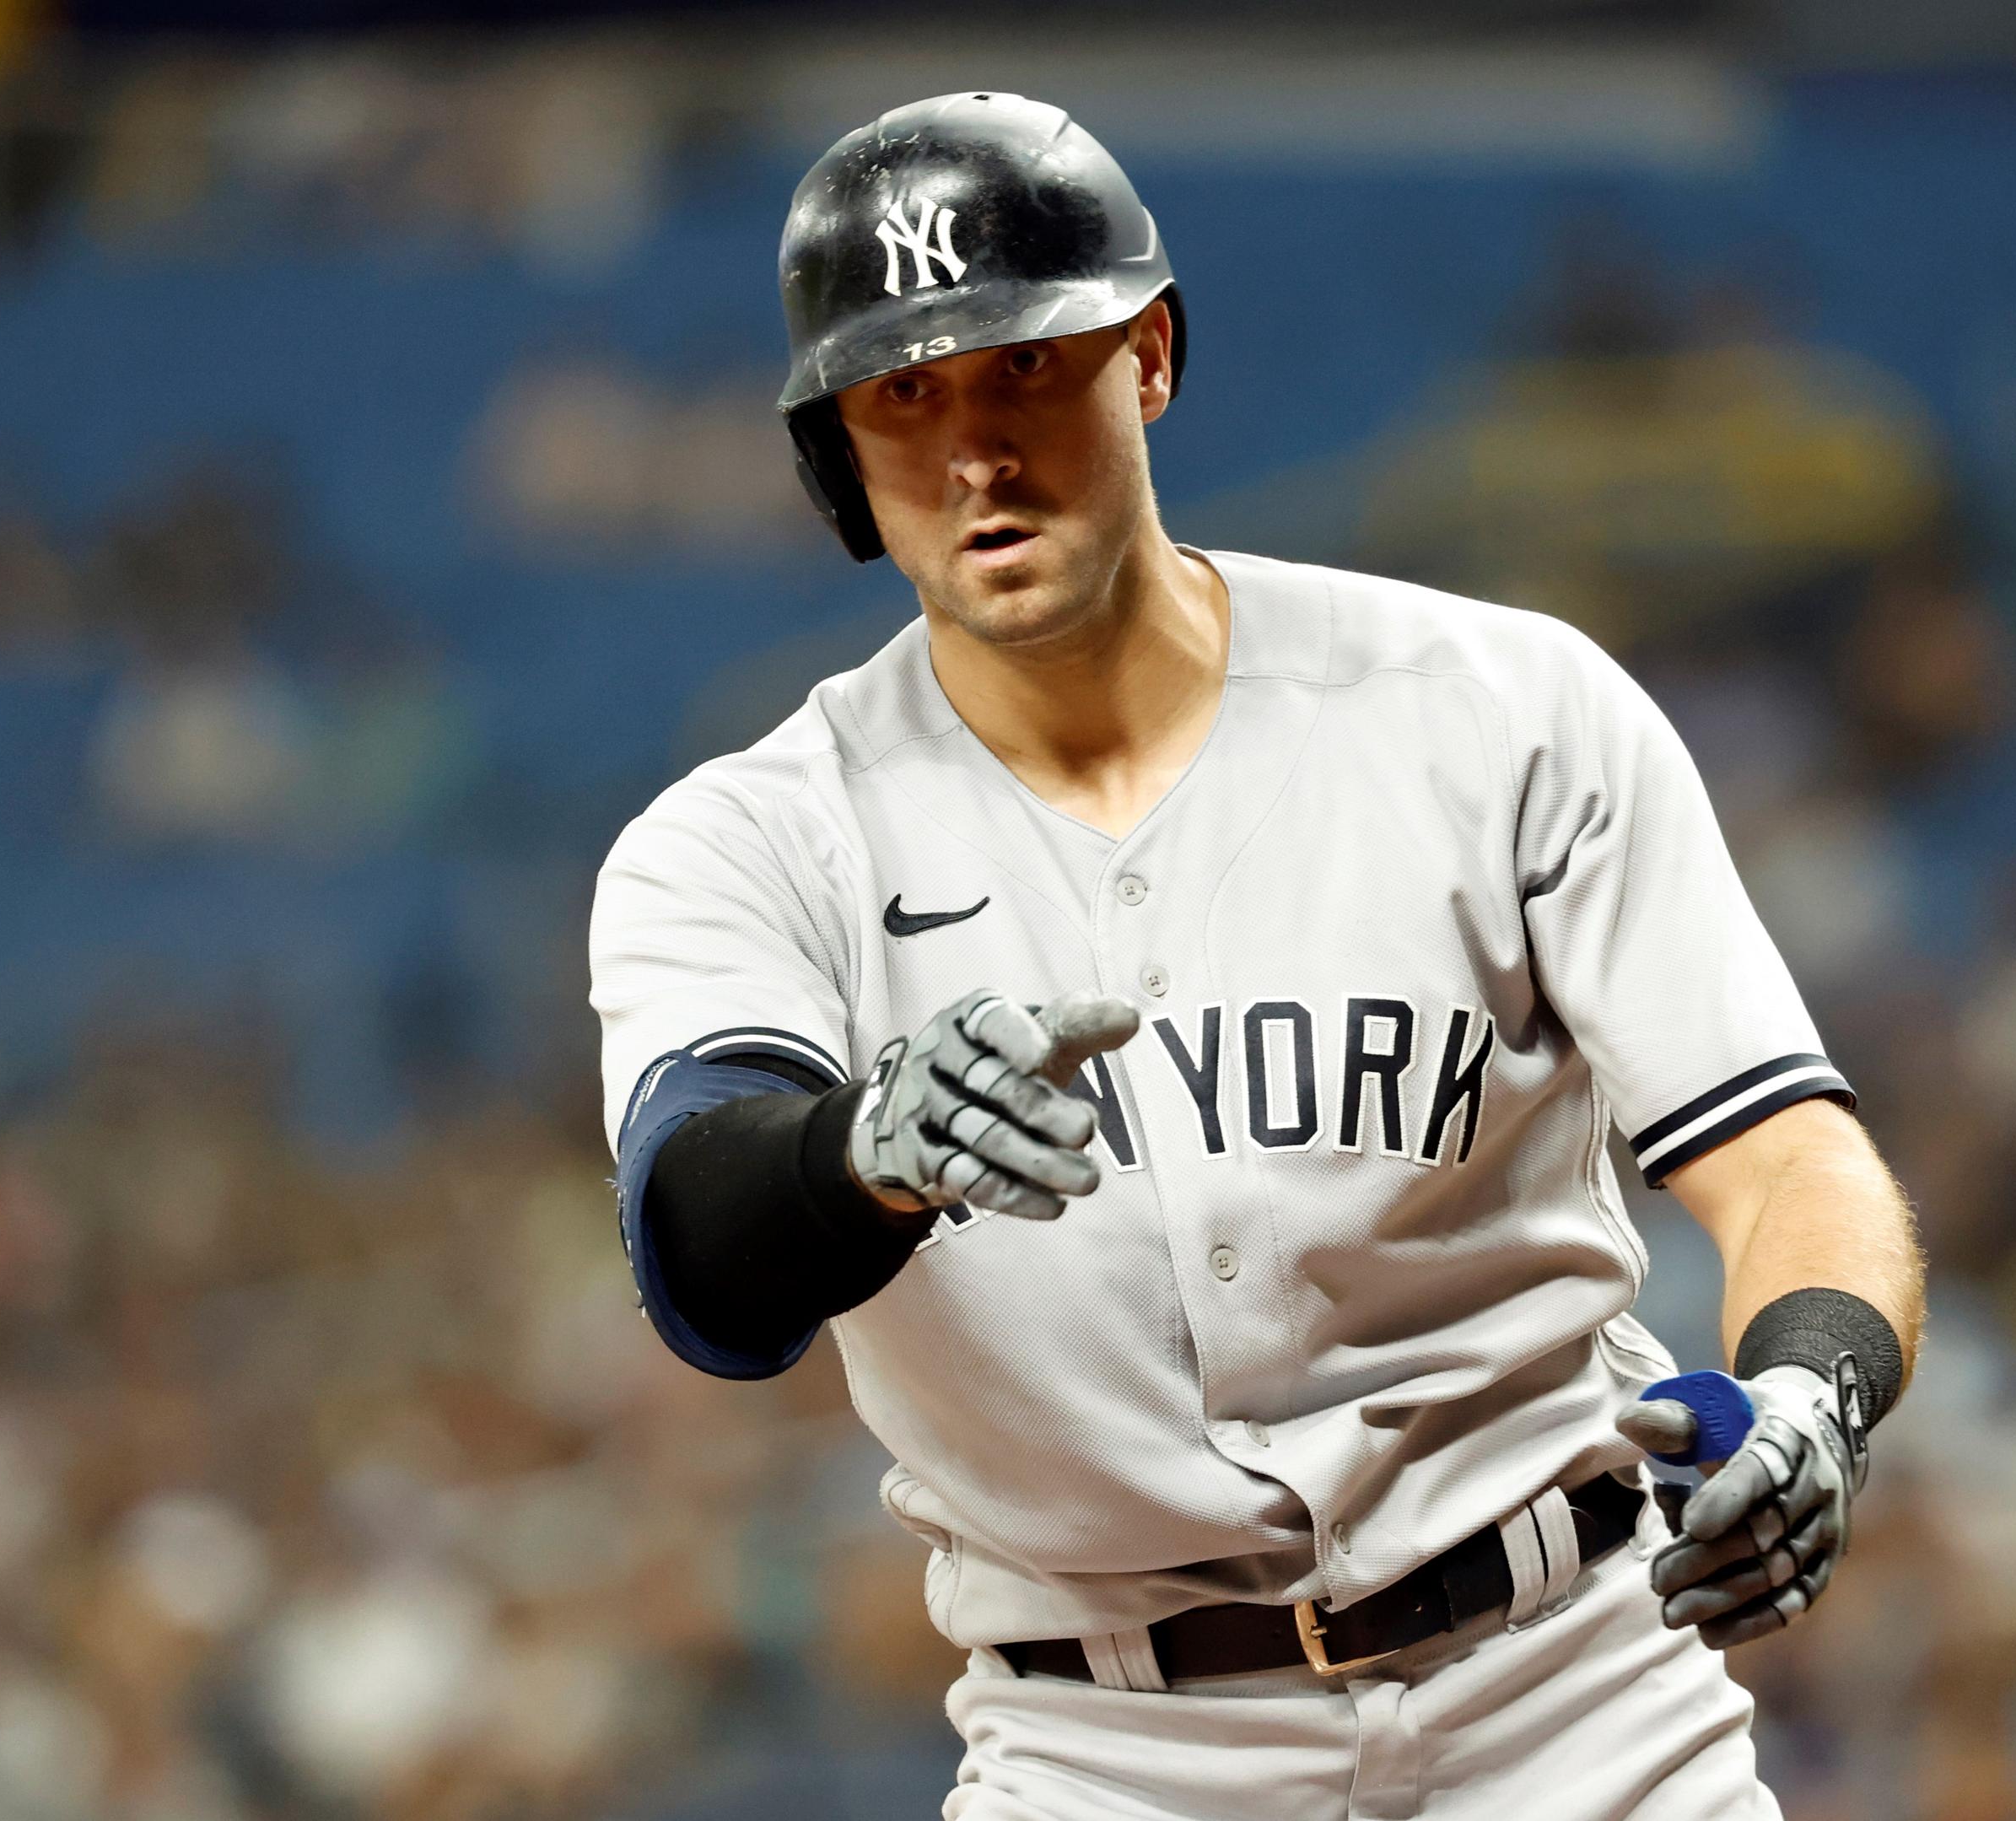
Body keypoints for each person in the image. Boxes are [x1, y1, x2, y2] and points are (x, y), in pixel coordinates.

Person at [586, 92, 1922, 1821]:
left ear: (1147, 356)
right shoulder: (750, 841)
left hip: (1579, 1709)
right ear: (835, 456)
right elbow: (705, 1254)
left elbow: (1790, 1157)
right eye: (903, 394)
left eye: (1024, 368)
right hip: (1111, 1755)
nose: (976, 449)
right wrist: (858, 1151)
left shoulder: (1498, 712)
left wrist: (1814, 1391)